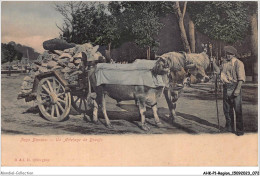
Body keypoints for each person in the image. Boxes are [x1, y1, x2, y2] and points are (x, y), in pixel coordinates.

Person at [213, 46, 246, 136]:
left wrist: (238, 89)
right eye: (226, 54)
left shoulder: (239, 63)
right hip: (226, 87)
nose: (228, 55)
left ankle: (239, 130)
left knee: (237, 110)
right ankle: (229, 127)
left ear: (234, 54)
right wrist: (213, 63)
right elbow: (218, 71)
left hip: (235, 87)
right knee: (227, 109)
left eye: (230, 54)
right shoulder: (224, 63)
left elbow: (241, 78)